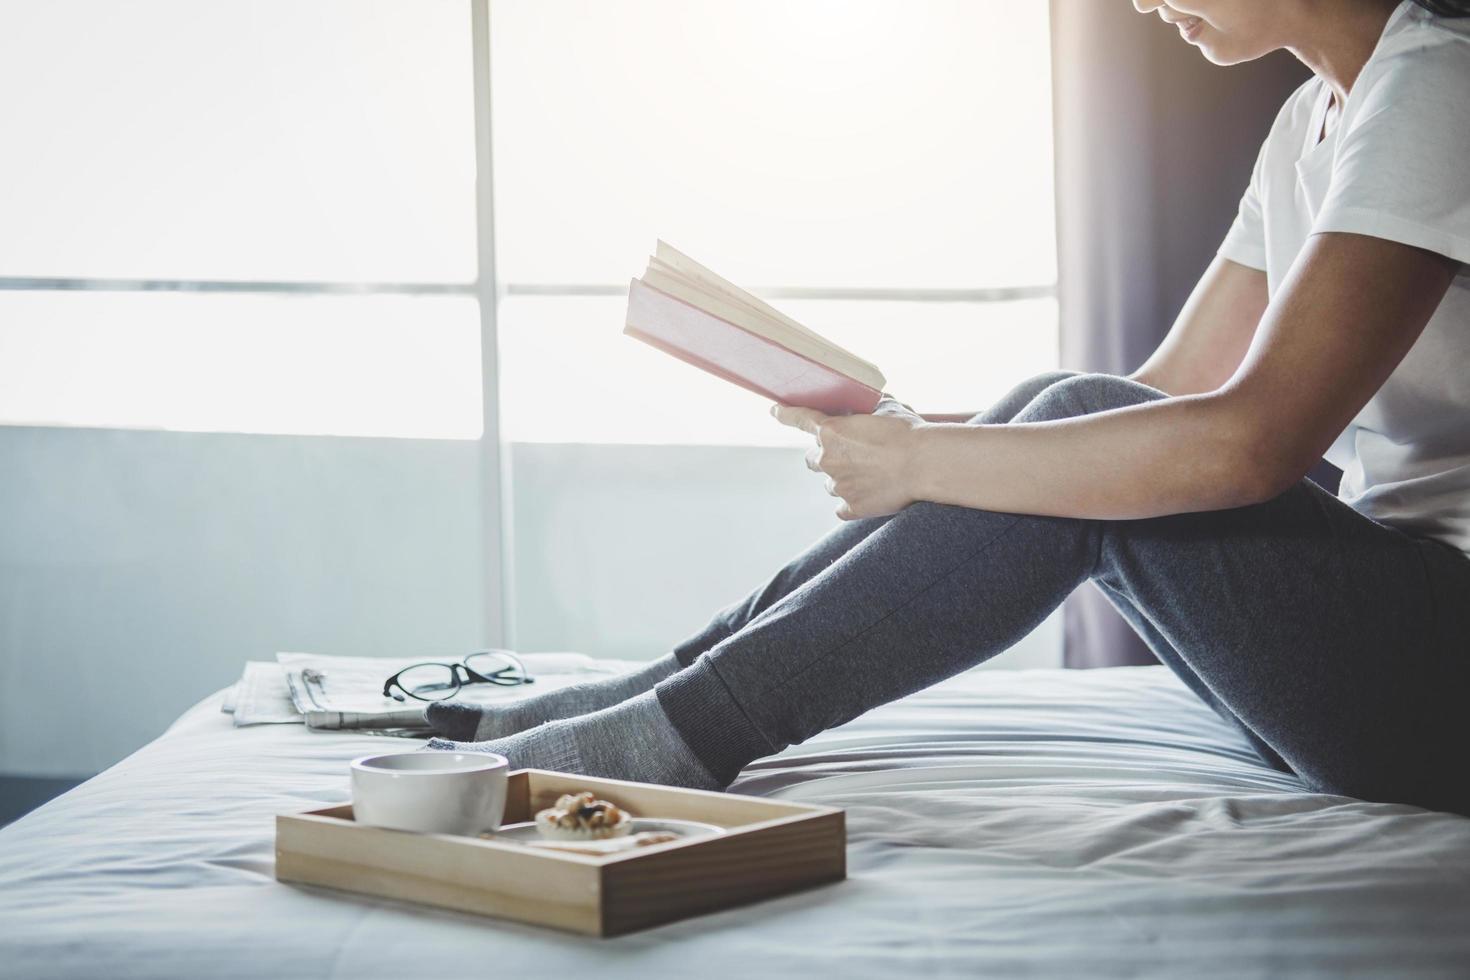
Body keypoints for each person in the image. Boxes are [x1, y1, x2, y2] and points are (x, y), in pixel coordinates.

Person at [428, 0, 1470, 817]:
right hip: (1396, 633)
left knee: (1073, 416)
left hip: (1444, 670)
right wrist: (923, 437)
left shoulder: (1437, 87)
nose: (1143, 3)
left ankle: (679, 728)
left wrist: (927, 464)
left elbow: (1249, 443)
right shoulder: (1309, 125)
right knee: (1058, 410)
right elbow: (1168, 392)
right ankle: (663, 690)